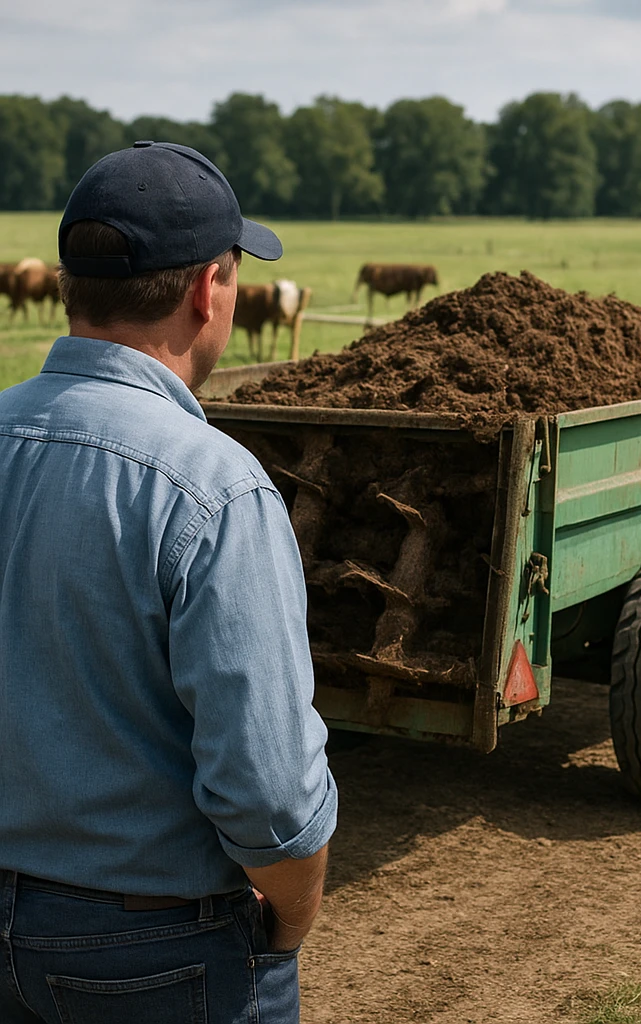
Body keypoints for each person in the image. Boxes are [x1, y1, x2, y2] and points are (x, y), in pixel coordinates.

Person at [0, 142, 337, 1024]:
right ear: (208, 290)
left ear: (70, 285)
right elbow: (267, 790)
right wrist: (294, 914)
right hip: (155, 952)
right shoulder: (214, 487)